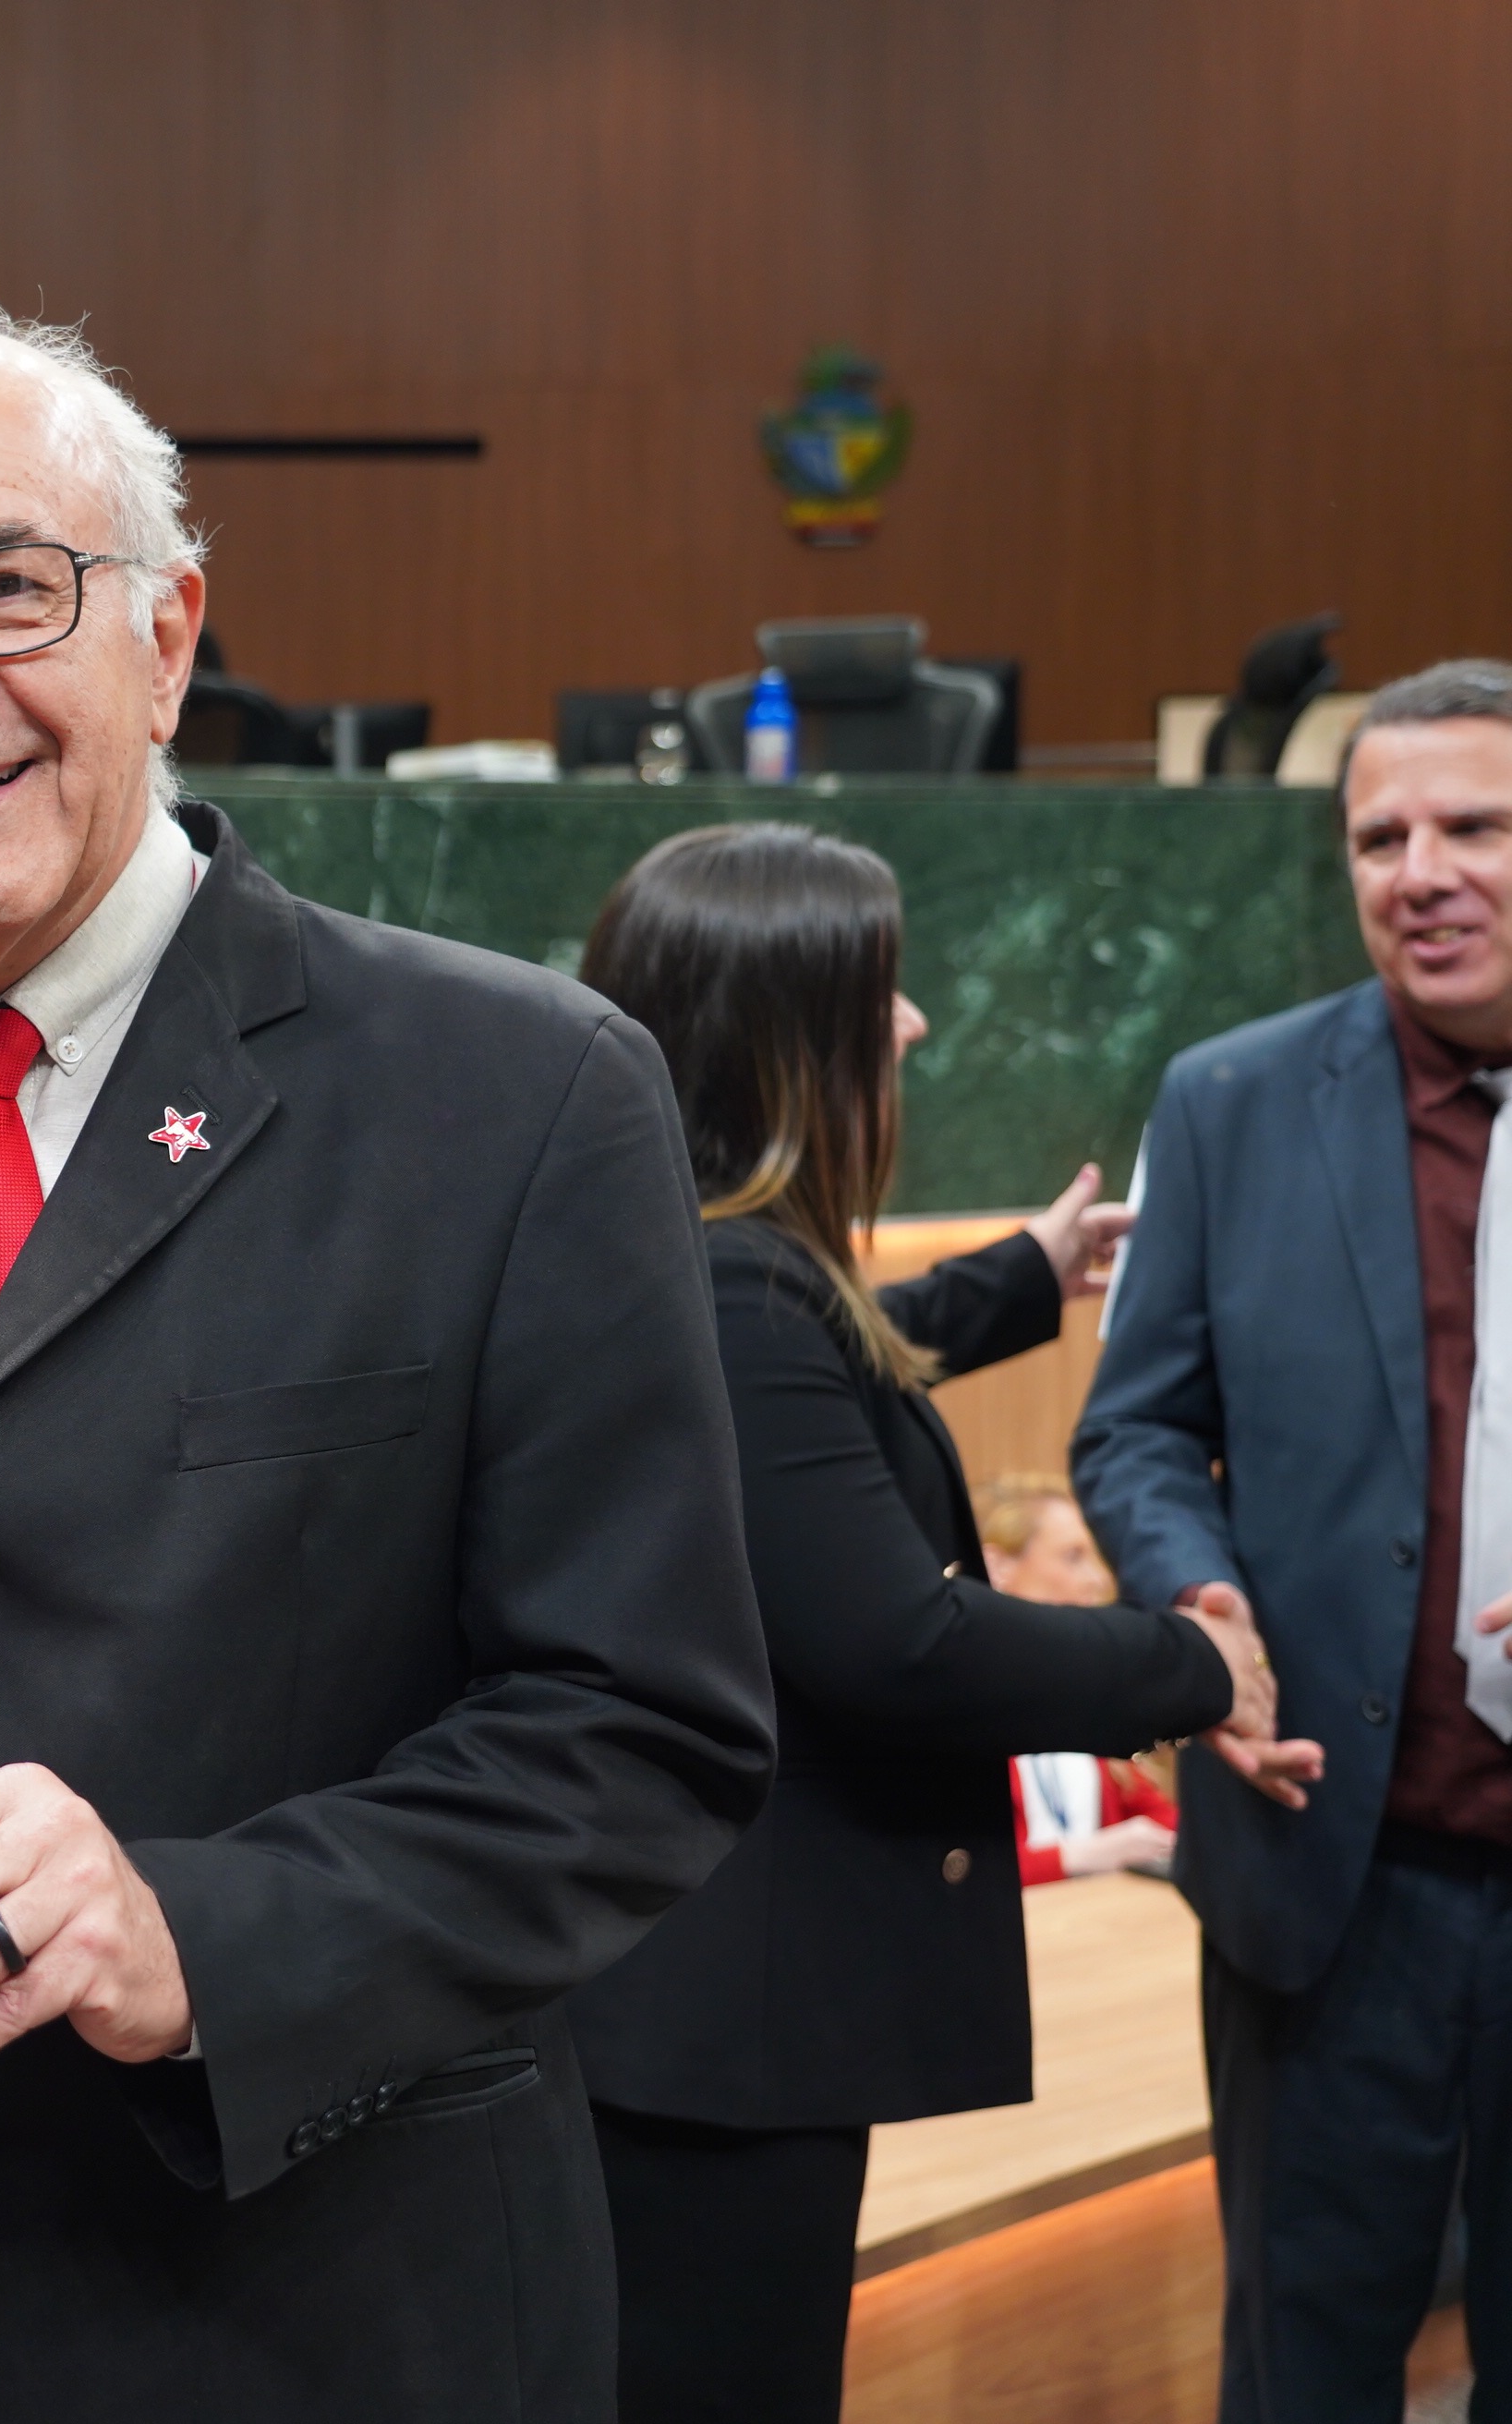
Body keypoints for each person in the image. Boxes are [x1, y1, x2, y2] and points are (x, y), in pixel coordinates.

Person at [0, 300, 780, 2420]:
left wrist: (197, 1930)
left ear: (165, 637)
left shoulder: (518, 1092)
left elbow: (641, 1725)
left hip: (320, 2318)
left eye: (7, 585)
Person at [560, 822, 1261, 2423]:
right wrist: (1193, 1665)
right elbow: (904, 1644)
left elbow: (826, 1363)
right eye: (878, 989)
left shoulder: (694, 1261)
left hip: (683, 2025)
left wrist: (1021, 1275)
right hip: (722, 2048)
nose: (916, 1022)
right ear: (786, 1040)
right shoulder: (741, 1297)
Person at [1078, 658, 1512, 2418]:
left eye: (1475, 825)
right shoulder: (1232, 1099)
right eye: (1379, 836)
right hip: (1332, 1873)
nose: (1422, 871)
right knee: (1303, 2372)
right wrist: (1200, 1598)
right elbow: (1133, 1426)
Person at [980, 1475, 1182, 1884]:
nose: (1097, 1580)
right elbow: (958, 1872)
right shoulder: (958, 1709)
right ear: (997, 1567)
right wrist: (1080, 1856)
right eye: (1073, 1557)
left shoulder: (1085, 1698)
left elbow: (1159, 1822)